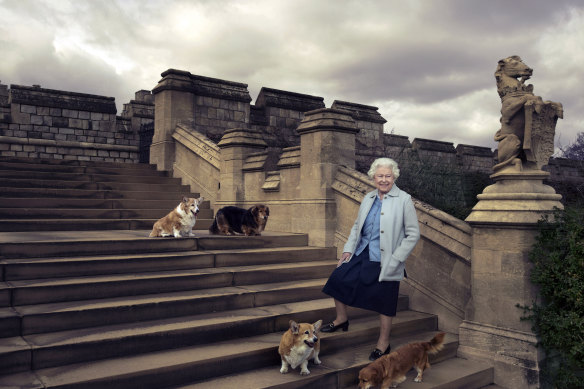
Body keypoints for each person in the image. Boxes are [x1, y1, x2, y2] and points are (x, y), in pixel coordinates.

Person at [321, 157, 420, 361]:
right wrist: (348, 250)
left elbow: (413, 234)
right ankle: (341, 320)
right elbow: (357, 226)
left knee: (385, 300)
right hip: (362, 251)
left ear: (394, 177)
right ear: (373, 177)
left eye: (388, 176)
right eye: (380, 176)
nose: (383, 180)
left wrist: (397, 259)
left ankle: (383, 343)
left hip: (387, 259)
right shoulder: (368, 198)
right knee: (338, 279)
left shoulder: (404, 199)